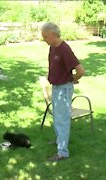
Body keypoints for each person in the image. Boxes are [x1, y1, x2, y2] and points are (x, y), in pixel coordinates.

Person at [41, 22, 85, 161]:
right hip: (57, 87)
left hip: (63, 89)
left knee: (62, 119)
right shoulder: (53, 47)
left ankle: (62, 153)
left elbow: (81, 71)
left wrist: (72, 79)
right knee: (57, 117)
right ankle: (60, 141)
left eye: (45, 36)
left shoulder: (64, 49)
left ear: (53, 35)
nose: (44, 39)